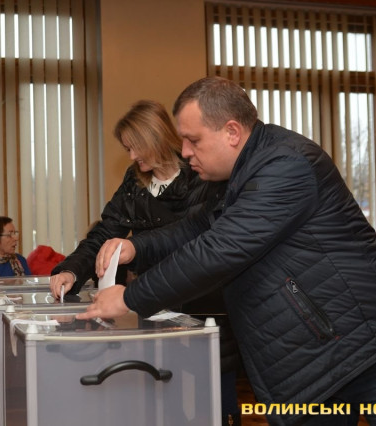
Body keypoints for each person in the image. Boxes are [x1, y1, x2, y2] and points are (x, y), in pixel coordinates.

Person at [79, 77, 376, 425]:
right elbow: (196, 227)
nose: (185, 152)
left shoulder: (286, 165)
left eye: (193, 140)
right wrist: (135, 247)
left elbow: (220, 248)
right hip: (313, 358)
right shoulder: (234, 176)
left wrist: (131, 298)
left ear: (232, 132)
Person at [49, 99, 242, 425]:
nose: (132, 156)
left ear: (155, 137)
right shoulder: (134, 182)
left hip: (204, 309)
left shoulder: (202, 176)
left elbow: (200, 243)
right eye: (127, 149)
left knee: (213, 403)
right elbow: (104, 232)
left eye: (134, 147)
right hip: (154, 308)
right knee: (162, 399)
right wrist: (70, 269)